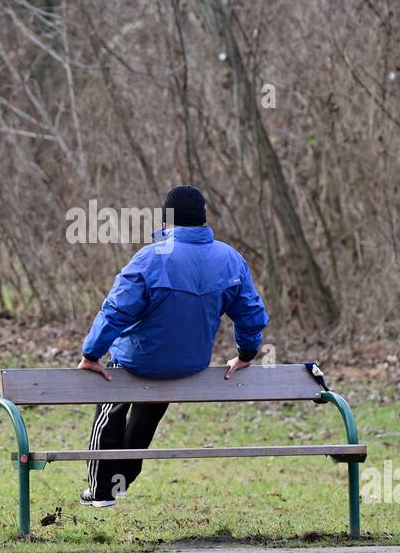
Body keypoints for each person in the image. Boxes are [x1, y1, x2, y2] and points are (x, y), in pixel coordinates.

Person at [77, 185, 269, 506]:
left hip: (135, 363)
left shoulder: (151, 258)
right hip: (187, 367)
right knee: (145, 419)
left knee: (109, 412)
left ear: (166, 220)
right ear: (203, 219)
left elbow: (116, 311)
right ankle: (120, 483)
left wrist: (92, 353)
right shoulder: (230, 260)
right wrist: (247, 353)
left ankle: (100, 490)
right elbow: (251, 314)